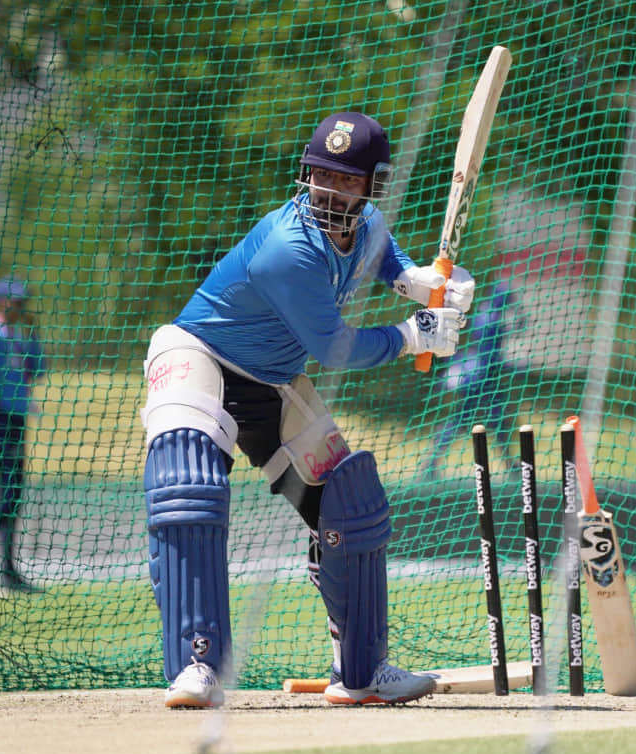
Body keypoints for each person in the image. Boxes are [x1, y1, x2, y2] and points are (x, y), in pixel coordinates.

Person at [140, 112, 475, 708]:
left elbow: (383, 255)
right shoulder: (286, 249)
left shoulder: (367, 223)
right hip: (200, 354)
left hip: (270, 380)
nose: (330, 189)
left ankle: (362, 671)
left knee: (351, 505)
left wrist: (419, 282)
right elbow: (333, 348)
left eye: (346, 180)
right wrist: (416, 335)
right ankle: (197, 668)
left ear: (370, 186)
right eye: (321, 174)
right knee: (190, 487)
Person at [418, 280, 521, 480]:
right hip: (481, 378)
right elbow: (488, 354)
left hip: (480, 375)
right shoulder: (490, 317)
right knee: (467, 420)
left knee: (494, 420)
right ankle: (430, 464)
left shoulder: (488, 312)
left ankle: (510, 464)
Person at [0, 277, 45, 593]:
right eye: (16, 301)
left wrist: (33, 333)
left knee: (12, 493)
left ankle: (8, 570)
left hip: (15, 420)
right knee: (1, 494)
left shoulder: (18, 338)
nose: (21, 307)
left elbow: (38, 369)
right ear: (1, 301)